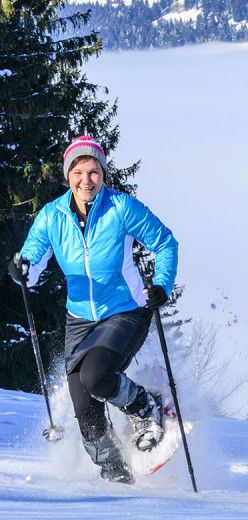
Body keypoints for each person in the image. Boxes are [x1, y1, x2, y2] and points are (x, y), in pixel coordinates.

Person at [7, 136, 178, 484]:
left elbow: (165, 243)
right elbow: (33, 260)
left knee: (96, 376)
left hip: (126, 310)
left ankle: (146, 407)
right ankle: (115, 471)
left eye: (94, 171)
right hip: (79, 320)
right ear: (68, 175)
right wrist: (22, 269)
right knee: (84, 404)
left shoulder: (122, 208)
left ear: (103, 174)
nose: (87, 179)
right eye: (79, 171)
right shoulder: (52, 216)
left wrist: (161, 284)